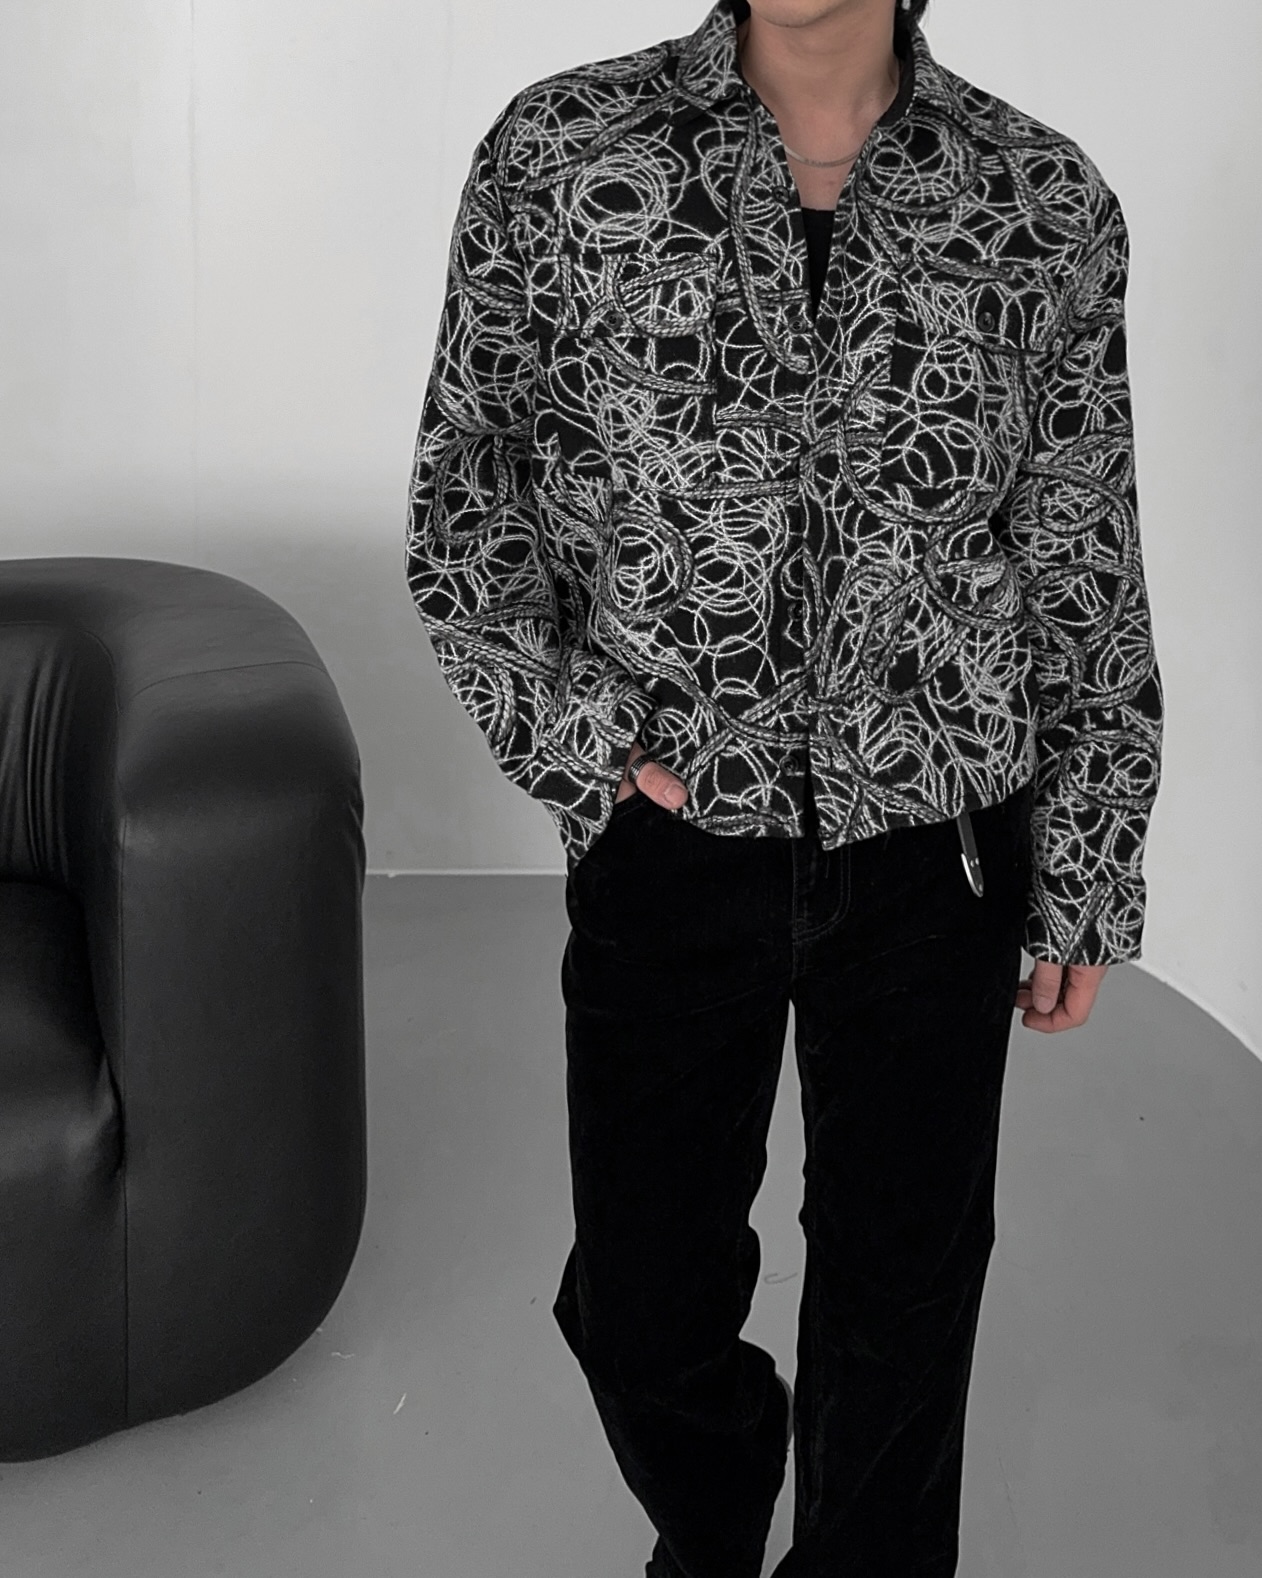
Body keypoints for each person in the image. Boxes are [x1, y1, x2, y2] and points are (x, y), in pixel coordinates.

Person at [405, 1, 1165, 1573]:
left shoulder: (1040, 197)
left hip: (940, 841)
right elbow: (468, 497)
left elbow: (1081, 553)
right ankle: (714, 1524)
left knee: (902, 1303)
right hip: (674, 829)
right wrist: (587, 754)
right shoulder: (563, 155)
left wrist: (1089, 858)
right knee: (642, 1302)